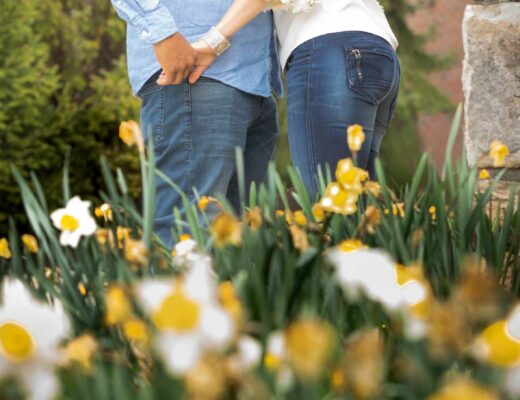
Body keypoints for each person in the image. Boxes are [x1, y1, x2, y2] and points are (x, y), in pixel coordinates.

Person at [175, 0, 400, 199]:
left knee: (331, 209)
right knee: (359, 205)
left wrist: (212, 44)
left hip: (330, 52)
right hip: (378, 53)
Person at [110, 0, 282, 247]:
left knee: (248, 251)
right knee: (187, 239)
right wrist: (162, 33)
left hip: (257, 83)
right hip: (193, 74)